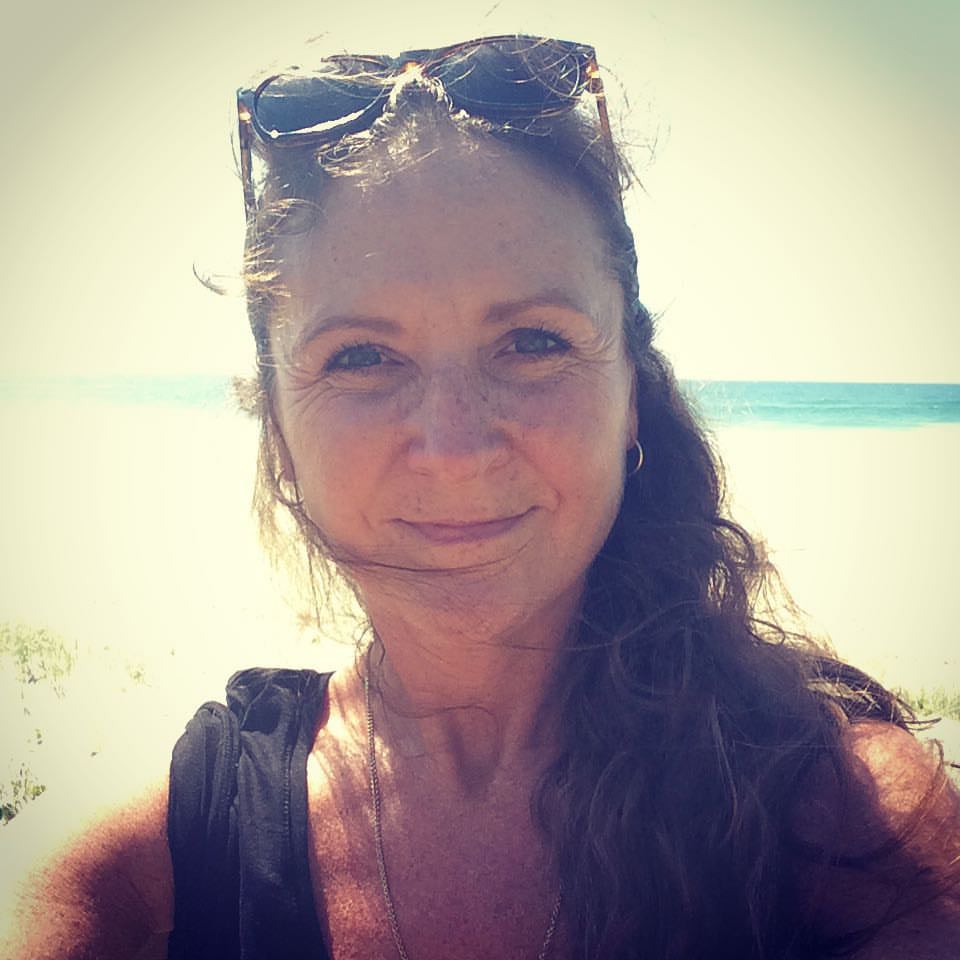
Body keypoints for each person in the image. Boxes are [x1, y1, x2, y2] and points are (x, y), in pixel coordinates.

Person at [1, 34, 958, 960]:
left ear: (632, 393)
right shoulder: (155, 854)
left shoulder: (850, 830)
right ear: (279, 431)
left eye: (533, 341)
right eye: (362, 357)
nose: (454, 448)